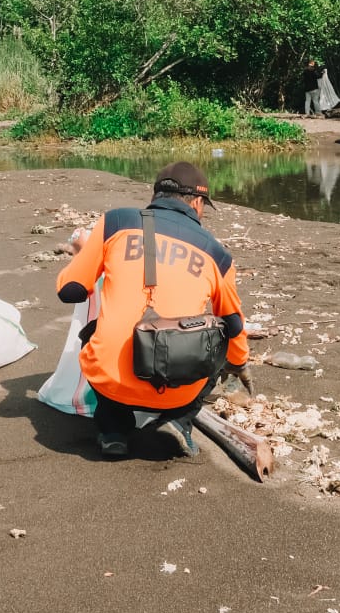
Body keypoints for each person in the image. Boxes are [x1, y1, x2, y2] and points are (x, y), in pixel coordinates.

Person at [54, 162, 251, 459]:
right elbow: (234, 324)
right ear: (197, 203)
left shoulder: (116, 223)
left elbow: (70, 291)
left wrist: (85, 254)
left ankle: (113, 430)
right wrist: (238, 363)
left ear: (157, 194)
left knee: (92, 332)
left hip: (112, 382)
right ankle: (178, 419)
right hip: (178, 386)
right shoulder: (217, 254)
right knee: (221, 339)